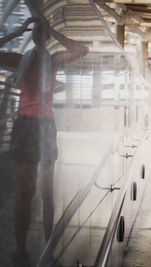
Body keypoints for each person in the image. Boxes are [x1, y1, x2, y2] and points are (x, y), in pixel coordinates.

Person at [0, 16, 89, 267]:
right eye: (36, 27)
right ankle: (20, 248)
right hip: (25, 125)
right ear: (32, 31)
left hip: (46, 125)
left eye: (43, 28)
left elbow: (82, 50)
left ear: (46, 34)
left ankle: (48, 244)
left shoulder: (54, 60)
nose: (39, 31)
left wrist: (53, 32)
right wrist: (17, 30)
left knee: (47, 190)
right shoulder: (19, 60)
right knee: (23, 192)